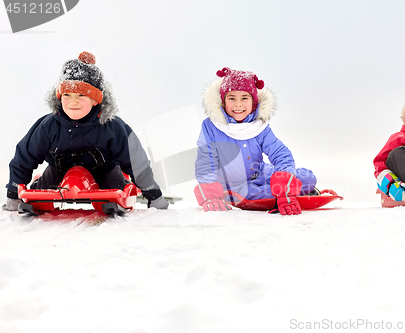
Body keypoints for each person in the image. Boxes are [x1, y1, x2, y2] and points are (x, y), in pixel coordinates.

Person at [3, 52, 169, 211]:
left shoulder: (112, 126)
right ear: (60, 97)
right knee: (39, 196)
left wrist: (153, 194)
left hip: (104, 172)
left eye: (81, 95)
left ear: (95, 99)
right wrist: (14, 193)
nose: (72, 102)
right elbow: (24, 157)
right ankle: (38, 199)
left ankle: (115, 196)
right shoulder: (49, 125)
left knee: (115, 187)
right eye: (67, 94)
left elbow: (135, 160)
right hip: (59, 172)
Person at [194, 67, 318, 215]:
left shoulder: (259, 127)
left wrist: (284, 183)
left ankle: (289, 191)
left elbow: (281, 154)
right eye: (232, 98)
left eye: (244, 98)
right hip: (236, 187)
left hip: (262, 174)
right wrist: (211, 196)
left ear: (253, 102)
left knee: (309, 178)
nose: (238, 104)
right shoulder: (212, 127)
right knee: (262, 194)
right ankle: (286, 193)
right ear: (223, 101)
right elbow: (206, 162)